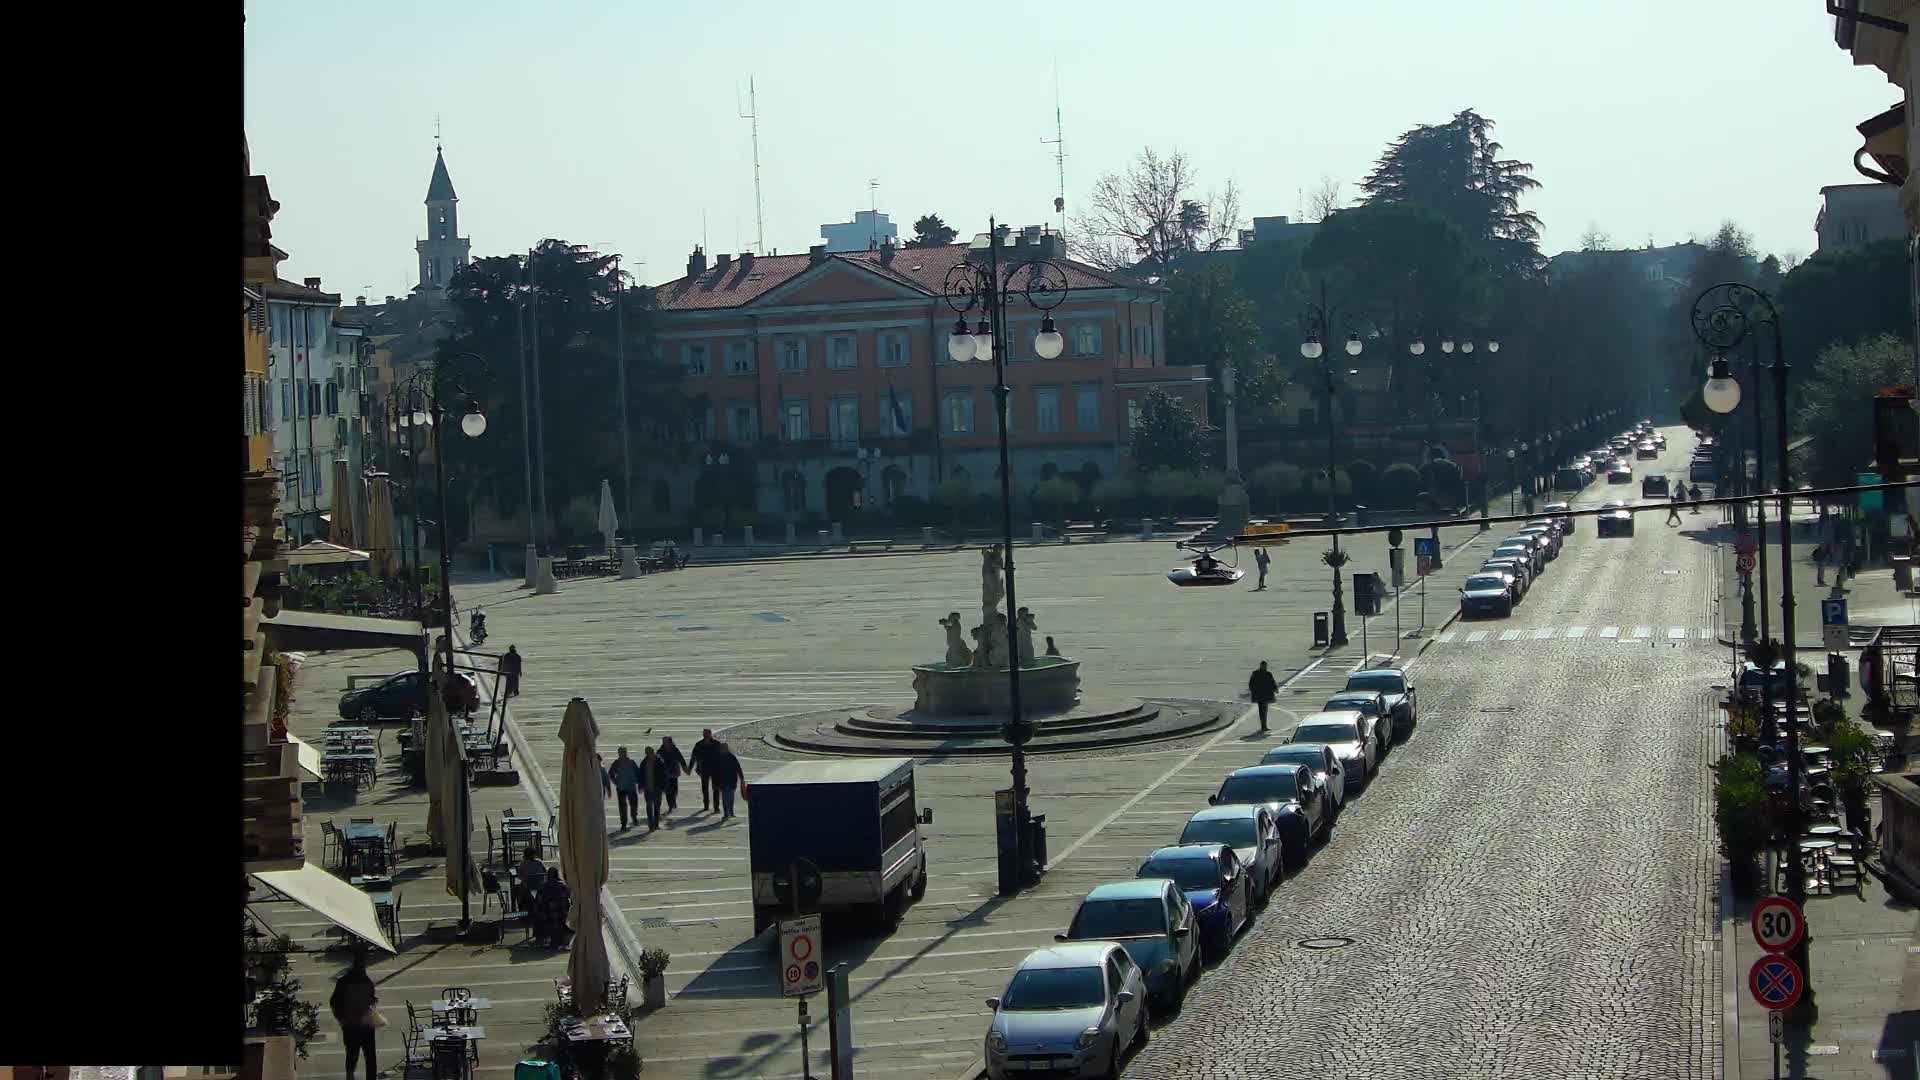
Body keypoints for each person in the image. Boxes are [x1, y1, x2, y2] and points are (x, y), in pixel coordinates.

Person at [329, 947, 379, 1080]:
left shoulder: (345, 982)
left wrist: (341, 1019)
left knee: (353, 1056)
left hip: (352, 1025)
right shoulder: (364, 981)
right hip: (361, 1024)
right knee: (368, 1058)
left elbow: (334, 1002)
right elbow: (335, 1002)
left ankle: (351, 1077)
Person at [536, 867, 573, 948]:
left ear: (548, 876)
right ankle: (564, 939)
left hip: (548, 916)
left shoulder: (542, 887)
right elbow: (572, 899)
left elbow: (538, 903)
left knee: (538, 913)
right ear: (557, 875)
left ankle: (541, 939)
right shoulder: (564, 886)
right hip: (563, 915)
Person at [707, 739, 744, 820]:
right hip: (723, 781)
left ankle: (730, 811)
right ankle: (726, 813)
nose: (723, 750)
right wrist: (714, 782)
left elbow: (738, 768)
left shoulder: (731, 757)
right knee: (725, 797)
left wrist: (742, 778)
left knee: (730, 797)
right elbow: (714, 771)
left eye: (724, 748)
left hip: (731, 781)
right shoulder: (718, 758)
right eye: (722, 748)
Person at [608, 747, 642, 830]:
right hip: (622, 788)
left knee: (633, 804)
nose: (622, 754)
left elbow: (637, 773)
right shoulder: (617, 763)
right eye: (620, 752)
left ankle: (634, 818)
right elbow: (611, 774)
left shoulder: (631, 762)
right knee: (623, 806)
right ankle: (624, 823)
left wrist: (638, 782)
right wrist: (616, 782)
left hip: (630, 787)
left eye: (623, 752)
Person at [690, 729, 720, 812]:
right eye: (704, 734)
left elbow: (721, 757)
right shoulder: (699, 744)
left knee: (716, 789)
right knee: (705, 789)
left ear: (710, 734)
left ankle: (716, 807)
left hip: (715, 770)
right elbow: (693, 756)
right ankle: (706, 806)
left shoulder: (716, 744)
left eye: (707, 734)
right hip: (704, 769)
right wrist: (690, 768)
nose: (705, 736)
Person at [658, 736, 689, 815]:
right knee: (668, 791)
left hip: (674, 772)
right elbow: (656, 761)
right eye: (663, 741)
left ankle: (673, 801)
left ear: (670, 742)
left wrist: (685, 768)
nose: (664, 743)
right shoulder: (660, 751)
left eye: (666, 741)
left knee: (674, 790)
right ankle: (670, 805)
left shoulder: (675, 750)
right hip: (665, 774)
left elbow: (681, 759)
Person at [640, 745, 668, 832]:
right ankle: (650, 825)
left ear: (653, 752)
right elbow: (641, 775)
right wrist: (641, 786)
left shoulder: (659, 761)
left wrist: (664, 786)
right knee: (649, 806)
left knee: (656, 806)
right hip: (648, 787)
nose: (649, 754)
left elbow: (664, 775)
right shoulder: (644, 762)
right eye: (647, 752)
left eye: (650, 752)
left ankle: (655, 824)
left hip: (657, 787)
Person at [1248, 661, 1279, 733]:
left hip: (1262, 695)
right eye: (1264, 666)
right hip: (1263, 695)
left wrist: (1275, 689)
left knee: (1263, 711)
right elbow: (1251, 684)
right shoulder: (1260, 673)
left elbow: (1272, 682)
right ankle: (1264, 726)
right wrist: (1275, 689)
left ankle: (1264, 726)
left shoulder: (1264, 673)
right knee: (1263, 711)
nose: (1265, 667)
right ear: (1261, 666)